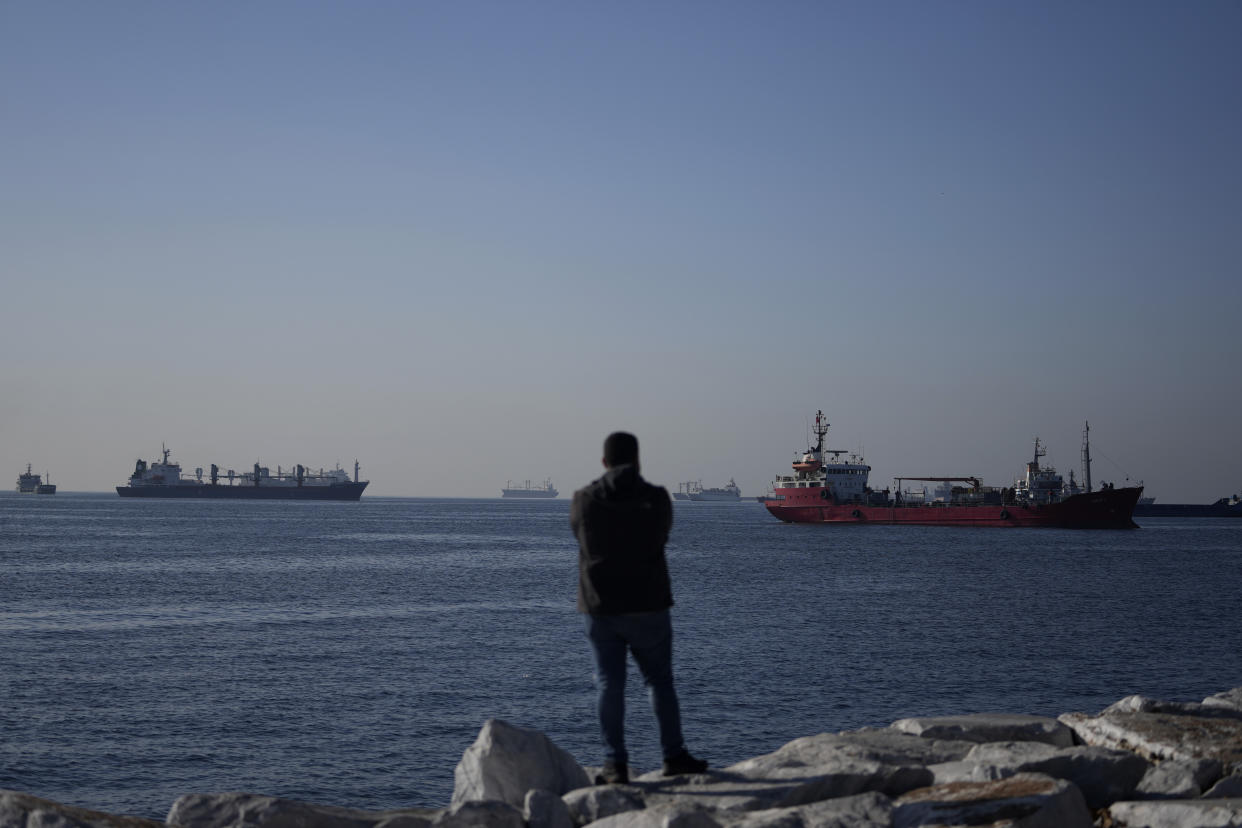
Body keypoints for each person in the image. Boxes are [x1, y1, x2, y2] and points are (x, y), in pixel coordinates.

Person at [570, 431, 708, 784]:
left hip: (600, 608)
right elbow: (662, 535)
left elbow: (579, 537)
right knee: (659, 682)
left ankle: (614, 765)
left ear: (604, 462)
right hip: (649, 605)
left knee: (608, 685)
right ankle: (673, 755)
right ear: (638, 460)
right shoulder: (657, 498)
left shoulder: (583, 500)